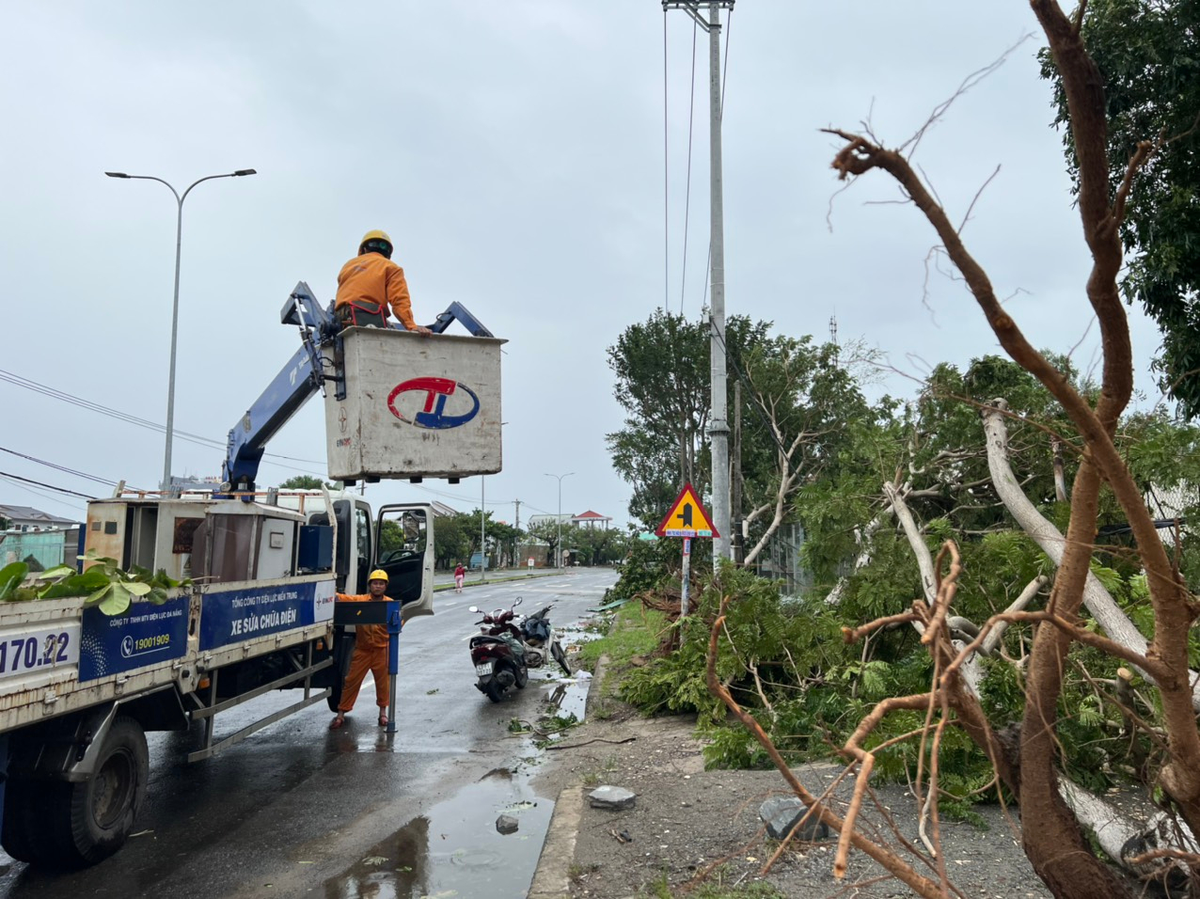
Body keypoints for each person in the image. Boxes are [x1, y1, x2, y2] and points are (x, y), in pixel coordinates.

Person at [334, 229, 433, 335]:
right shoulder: (391, 267)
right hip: (365, 317)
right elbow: (399, 301)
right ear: (388, 253)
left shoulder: (348, 265)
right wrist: (411, 326)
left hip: (340, 319)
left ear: (364, 249)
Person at [330, 569, 394, 730]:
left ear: (385, 586)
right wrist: (334, 594)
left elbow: (398, 624)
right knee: (351, 681)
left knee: (383, 683)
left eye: (381, 584)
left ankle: (383, 713)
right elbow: (346, 599)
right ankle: (341, 714)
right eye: (375, 583)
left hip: (381, 651)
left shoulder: (390, 604)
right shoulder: (362, 601)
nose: (377, 587)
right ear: (370, 585)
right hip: (363, 650)